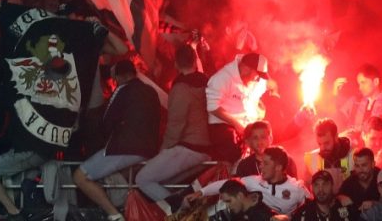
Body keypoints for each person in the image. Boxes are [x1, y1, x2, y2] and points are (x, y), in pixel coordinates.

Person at [73, 59, 161, 221]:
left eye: (114, 78)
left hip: (124, 147)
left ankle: (114, 215)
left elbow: (107, 121)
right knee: (119, 178)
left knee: (80, 177)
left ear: (120, 77)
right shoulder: (151, 91)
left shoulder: (122, 89)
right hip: (151, 149)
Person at [135, 44, 210, 213]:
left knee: (143, 178)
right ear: (194, 62)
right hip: (205, 148)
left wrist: (163, 151)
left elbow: (176, 124)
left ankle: (181, 210)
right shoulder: (207, 84)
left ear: (176, 63)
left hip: (188, 147)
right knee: (162, 181)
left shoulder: (181, 88)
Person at [195, 147, 308, 215]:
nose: (260, 166)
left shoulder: (297, 188)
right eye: (261, 162)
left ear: (278, 167)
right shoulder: (254, 181)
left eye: (266, 163)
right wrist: (201, 192)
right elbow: (227, 184)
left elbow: (312, 209)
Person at [206, 53, 269, 162]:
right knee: (232, 147)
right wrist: (236, 124)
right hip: (223, 127)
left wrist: (260, 110)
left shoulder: (258, 82)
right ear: (245, 68)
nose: (258, 79)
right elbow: (212, 106)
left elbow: (255, 98)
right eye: (257, 75)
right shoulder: (223, 78)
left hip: (246, 126)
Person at [303, 119, 353, 187]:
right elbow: (305, 188)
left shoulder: (352, 156)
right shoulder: (311, 159)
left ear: (336, 137)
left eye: (326, 143)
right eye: (319, 144)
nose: (323, 148)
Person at [293, 170, 359, 221]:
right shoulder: (303, 213)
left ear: (332, 186)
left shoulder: (344, 208)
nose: (321, 189)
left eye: (325, 184)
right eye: (316, 185)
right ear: (312, 187)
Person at [339, 65, 382, 133]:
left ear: (376, 82)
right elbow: (338, 120)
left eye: (363, 82)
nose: (360, 88)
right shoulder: (354, 101)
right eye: (359, 84)